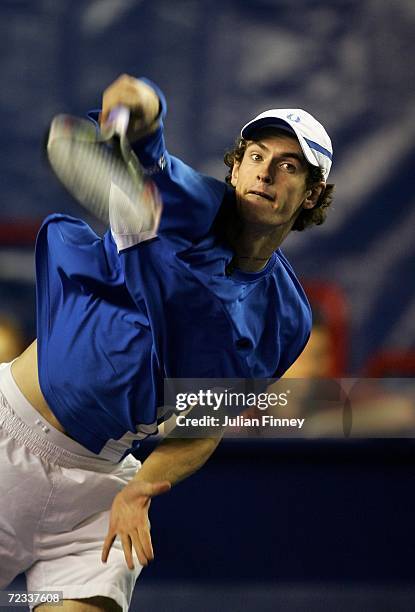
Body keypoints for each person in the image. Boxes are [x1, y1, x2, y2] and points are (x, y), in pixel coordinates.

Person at [0, 74, 334, 611]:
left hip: (100, 490)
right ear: (235, 166)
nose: (265, 172)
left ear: (312, 193)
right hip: (8, 443)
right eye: (254, 155)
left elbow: (205, 421)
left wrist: (142, 487)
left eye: (288, 165)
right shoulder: (191, 203)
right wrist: (137, 103)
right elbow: (147, 134)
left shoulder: (285, 320)